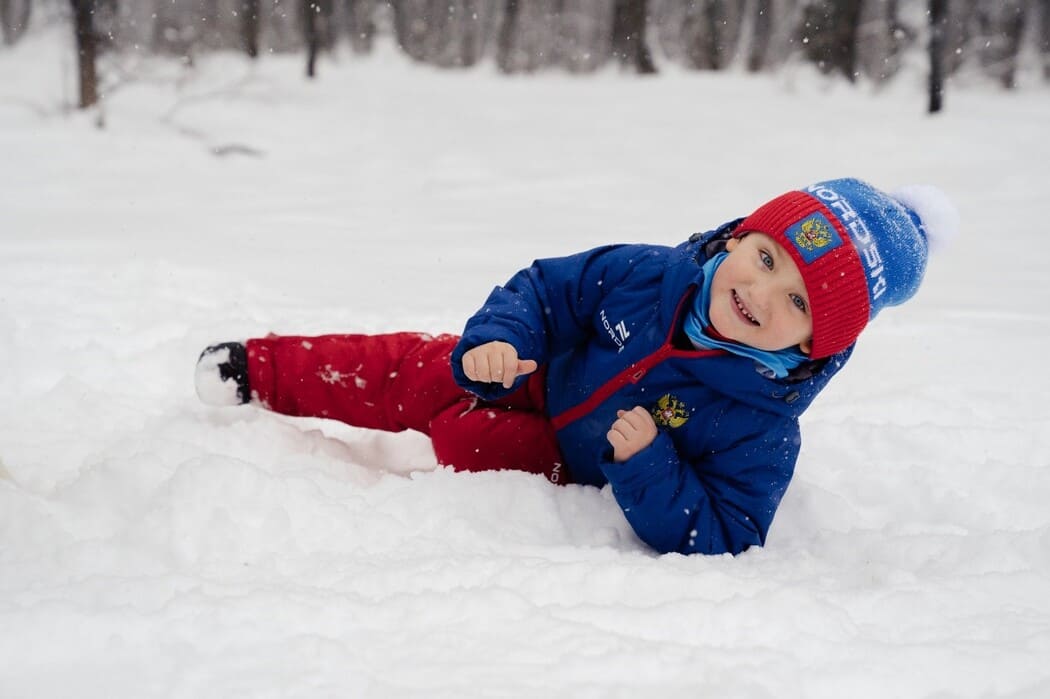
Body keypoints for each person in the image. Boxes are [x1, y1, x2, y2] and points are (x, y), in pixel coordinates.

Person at [195, 178, 955, 556]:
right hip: (537, 370)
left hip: (572, 456)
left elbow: (727, 531)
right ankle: (261, 370)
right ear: (736, 238)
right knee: (417, 368)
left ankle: (416, 462)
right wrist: (503, 333)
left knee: (472, 447)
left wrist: (649, 463)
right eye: (764, 256)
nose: (759, 291)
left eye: (796, 300)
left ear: (814, 343)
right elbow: (552, 287)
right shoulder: (648, 275)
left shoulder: (762, 427)